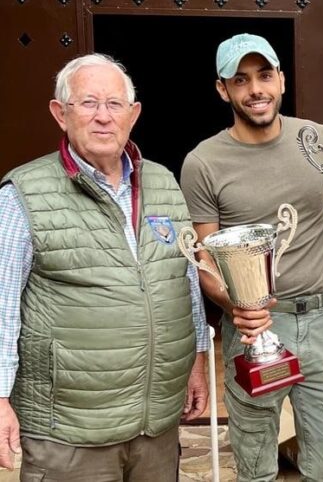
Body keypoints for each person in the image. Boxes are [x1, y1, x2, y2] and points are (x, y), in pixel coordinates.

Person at [0, 54, 209, 480]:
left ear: (133, 115)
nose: (102, 117)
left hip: (155, 426)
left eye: (114, 105)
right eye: (88, 103)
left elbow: (184, 277)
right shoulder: (23, 194)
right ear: (61, 114)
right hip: (70, 435)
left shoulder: (163, 182)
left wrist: (198, 359)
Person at [180, 34, 323, 481]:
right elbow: (205, 260)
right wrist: (239, 307)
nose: (256, 89)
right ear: (223, 90)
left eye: (264, 75)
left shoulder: (318, 138)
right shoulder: (203, 162)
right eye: (241, 79)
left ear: (281, 80)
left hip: (322, 319)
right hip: (252, 330)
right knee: (255, 463)